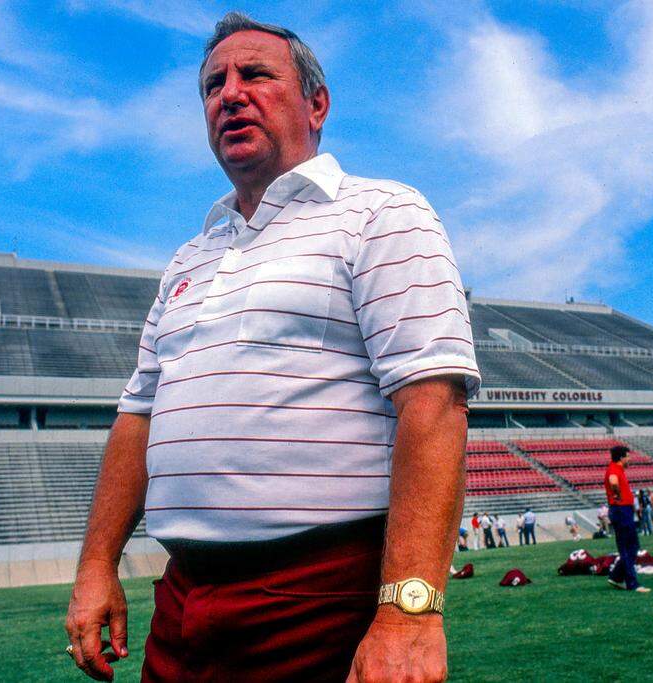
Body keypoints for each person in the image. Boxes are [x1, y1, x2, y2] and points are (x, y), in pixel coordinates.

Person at [64, 13, 480, 683]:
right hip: (184, 597)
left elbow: (433, 402)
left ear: (316, 103)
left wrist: (409, 610)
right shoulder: (188, 258)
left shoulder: (382, 213)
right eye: (212, 85)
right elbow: (138, 414)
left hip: (321, 595)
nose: (230, 93)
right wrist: (94, 565)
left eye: (256, 74)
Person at [605, 445, 650, 593]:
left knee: (632, 546)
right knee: (628, 547)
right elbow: (612, 481)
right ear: (621, 458)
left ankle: (617, 575)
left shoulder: (618, 470)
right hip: (621, 510)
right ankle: (632, 583)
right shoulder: (614, 469)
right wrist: (617, 494)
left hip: (623, 510)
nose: (629, 459)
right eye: (628, 456)